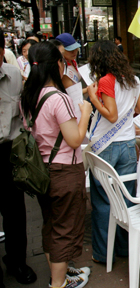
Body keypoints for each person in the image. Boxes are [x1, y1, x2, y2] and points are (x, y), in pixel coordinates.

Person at [21, 42, 92, 288]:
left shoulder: (29, 95)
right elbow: (74, 140)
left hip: (42, 171)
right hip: (64, 172)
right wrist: (85, 112)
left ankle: (57, 276)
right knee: (63, 232)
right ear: (58, 65)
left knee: (51, 226)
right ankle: (59, 284)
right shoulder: (58, 98)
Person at [86, 40, 140, 264]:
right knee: (125, 198)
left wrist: (94, 98)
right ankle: (124, 247)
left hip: (106, 147)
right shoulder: (133, 80)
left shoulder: (105, 80)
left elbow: (111, 115)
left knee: (104, 200)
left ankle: (104, 254)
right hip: (127, 145)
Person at [0, 29, 37, 287]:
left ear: (2, 52)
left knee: (15, 212)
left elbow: (24, 111)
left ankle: (16, 262)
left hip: (8, 152)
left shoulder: (14, 75)